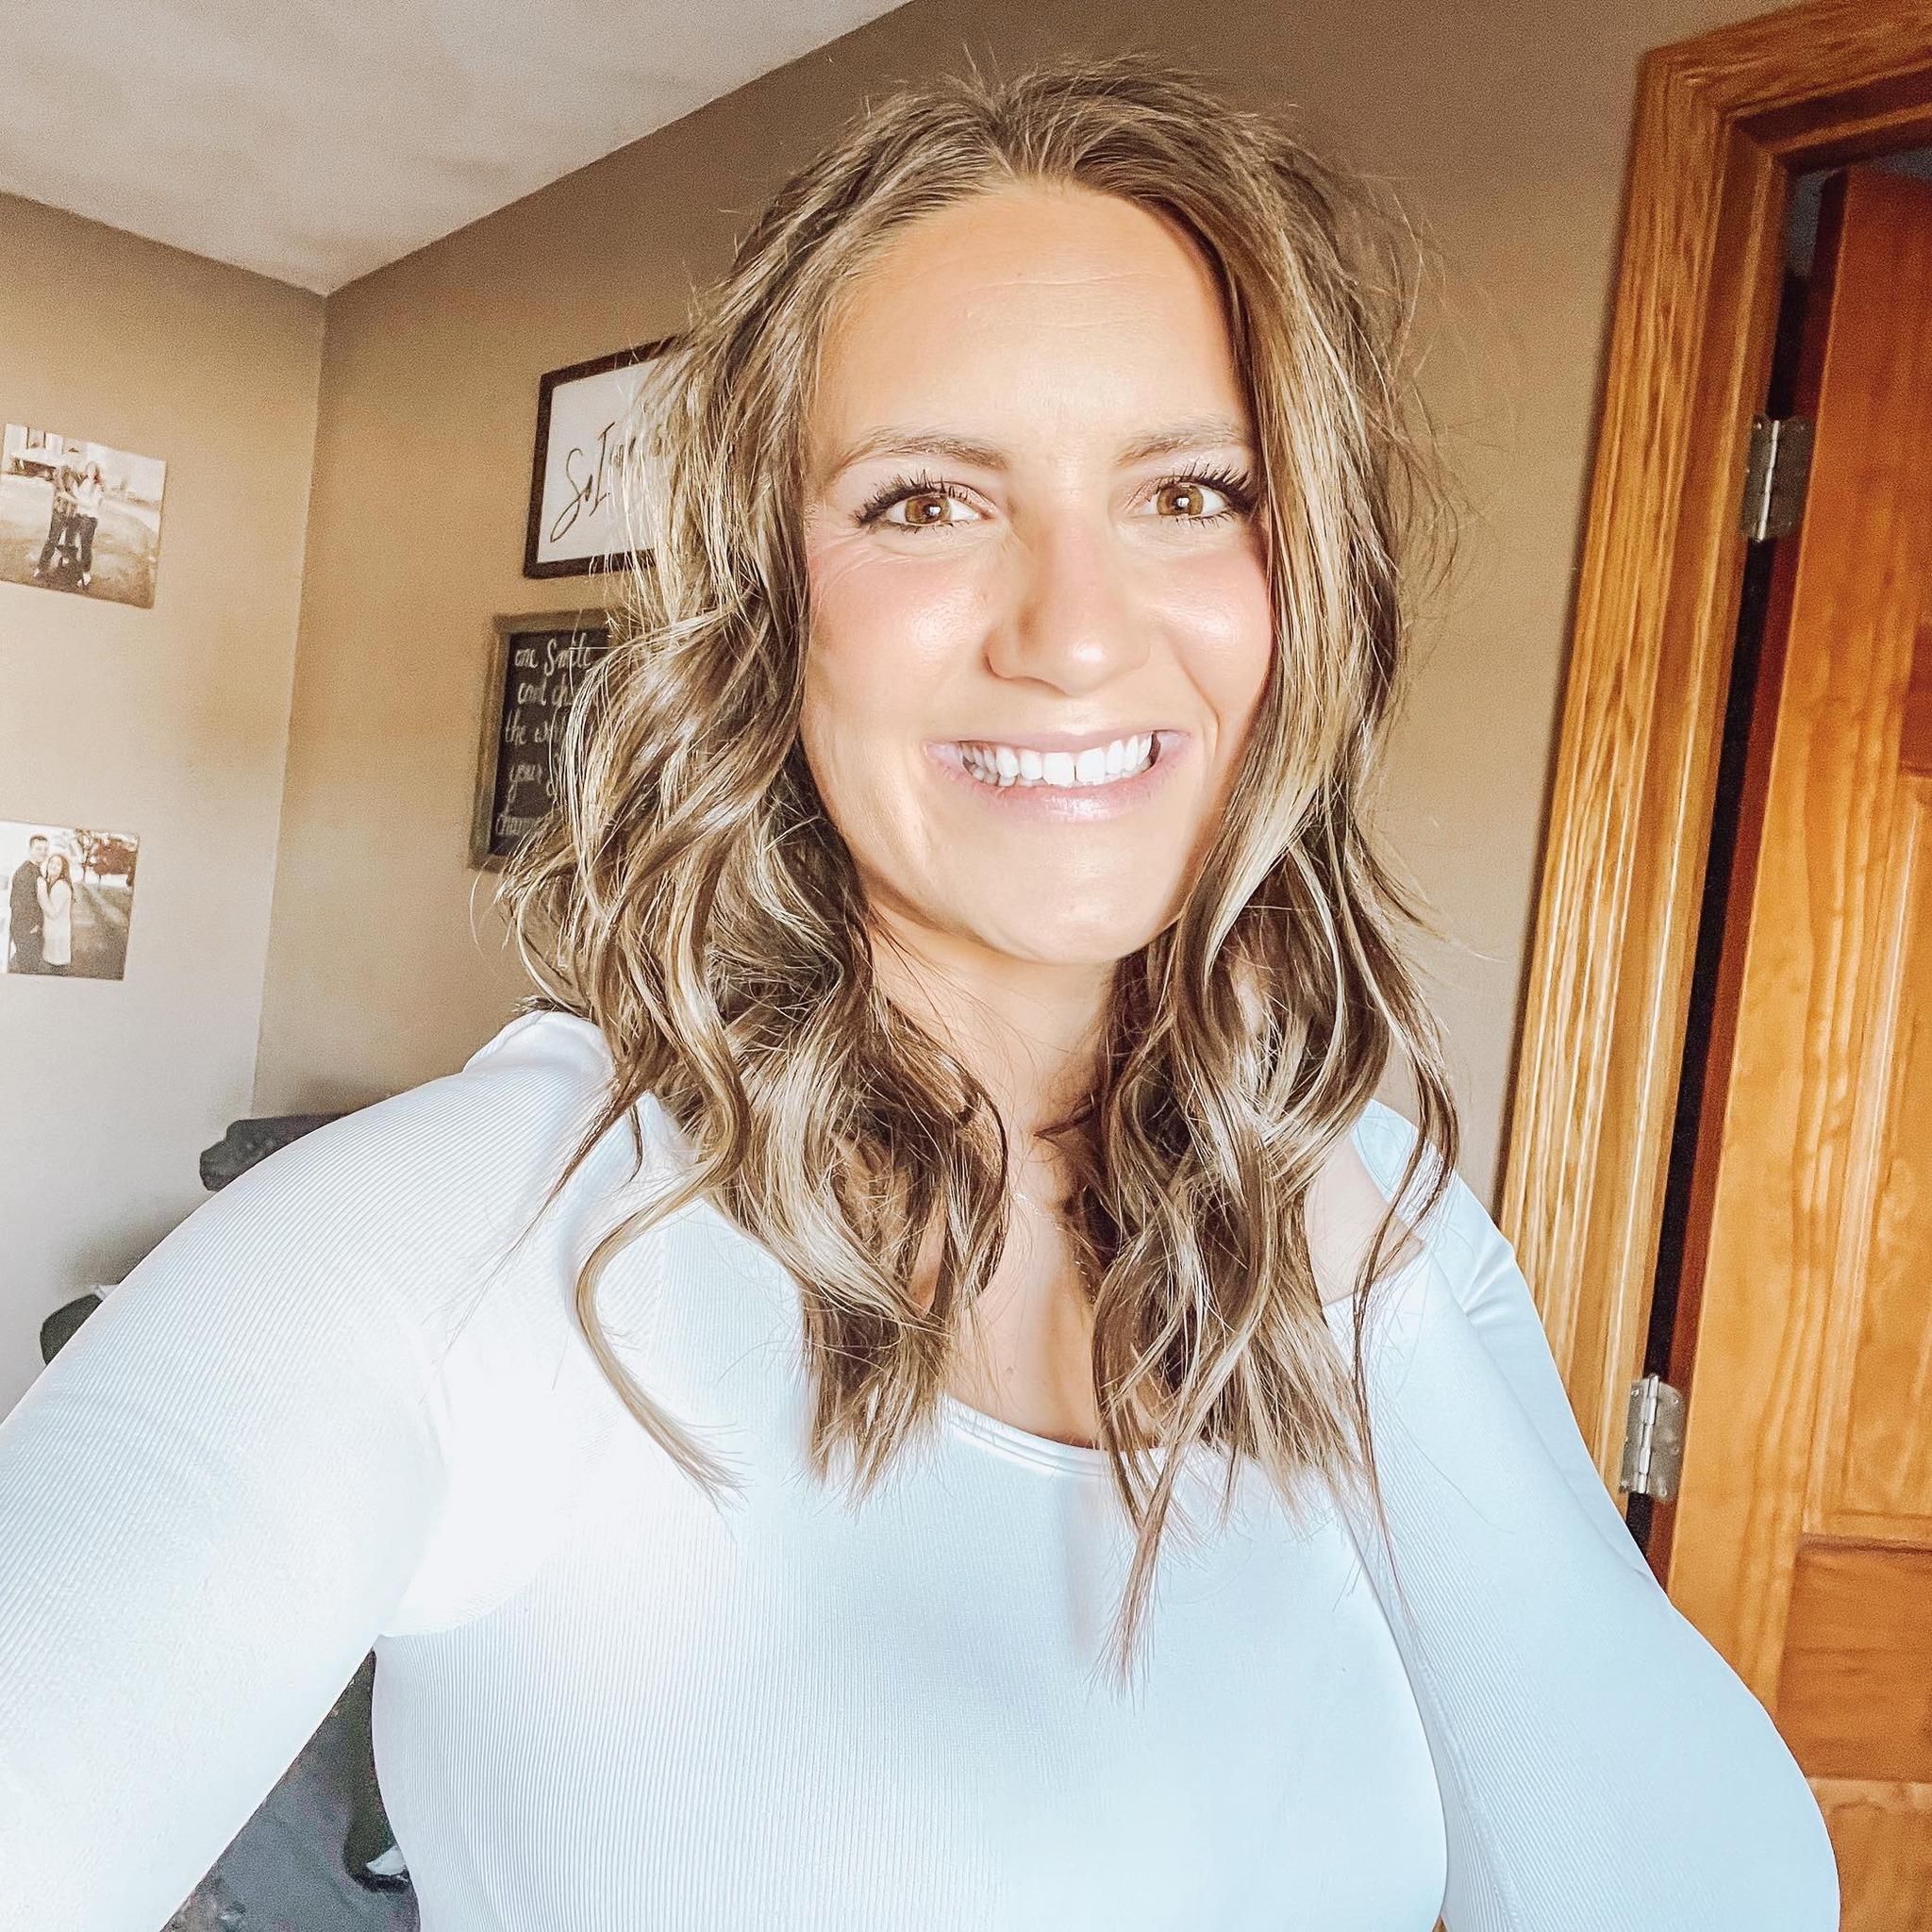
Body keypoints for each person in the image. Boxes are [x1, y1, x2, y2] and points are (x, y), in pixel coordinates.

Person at [0, 53, 1840, 1932]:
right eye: (927, 502)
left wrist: (1324, 1212)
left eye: (1191, 490)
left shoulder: (1387, 1222)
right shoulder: (471, 1239)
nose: (1074, 630)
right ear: (770, 602)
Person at [31, 453, 82, 582]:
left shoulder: (78, 474)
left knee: (70, 540)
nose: (75, 460)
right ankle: (41, 567)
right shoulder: (60, 471)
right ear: (67, 458)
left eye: (77, 458)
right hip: (60, 511)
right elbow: (61, 493)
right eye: (72, 457)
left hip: (74, 513)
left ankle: (65, 561)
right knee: (53, 540)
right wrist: (80, 501)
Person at [8, 832, 48, 974]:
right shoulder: (25, 873)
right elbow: (18, 905)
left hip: (30, 930)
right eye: (39, 848)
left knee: (31, 968)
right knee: (29, 971)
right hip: (26, 930)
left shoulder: (35, 870)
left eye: (45, 849)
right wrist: (33, 926)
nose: (43, 852)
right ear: (30, 850)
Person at [70, 458, 106, 590]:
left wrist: (76, 493)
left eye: (92, 470)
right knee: (78, 544)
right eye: (88, 468)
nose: (90, 471)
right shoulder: (85, 482)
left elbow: (90, 504)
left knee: (85, 547)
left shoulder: (97, 487)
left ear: (96, 472)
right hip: (81, 517)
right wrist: (77, 493)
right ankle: (79, 571)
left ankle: (86, 575)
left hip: (89, 519)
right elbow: (81, 499)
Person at [36, 851, 74, 974]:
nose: (53, 865)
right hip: (54, 937)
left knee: (54, 973)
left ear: (63, 869)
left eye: (58, 864)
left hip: (56, 940)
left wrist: (41, 890)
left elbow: (52, 913)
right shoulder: (54, 883)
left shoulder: (60, 886)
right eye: (51, 862)